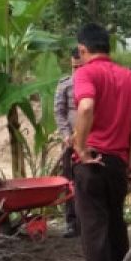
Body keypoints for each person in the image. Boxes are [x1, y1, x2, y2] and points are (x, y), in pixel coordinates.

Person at [71, 23, 131, 261]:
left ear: (83, 49)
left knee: (93, 225)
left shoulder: (85, 73)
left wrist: (80, 148)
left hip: (92, 161)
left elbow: (86, 107)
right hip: (118, 162)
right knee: (116, 221)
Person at [54, 47, 82, 238]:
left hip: (92, 143)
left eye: (80, 67)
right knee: (69, 183)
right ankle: (72, 223)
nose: (77, 71)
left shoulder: (97, 82)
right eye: (74, 67)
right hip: (69, 143)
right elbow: (59, 111)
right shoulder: (65, 84)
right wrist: (66, 134)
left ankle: (87, 222)